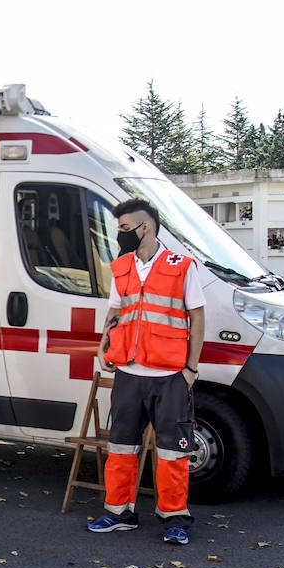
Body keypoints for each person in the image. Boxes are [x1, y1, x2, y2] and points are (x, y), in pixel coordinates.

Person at [89, 199, 204, 545]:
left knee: (172, 451)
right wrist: (103, 346)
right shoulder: (121, 267)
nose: (119, 235)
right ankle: (119, 512)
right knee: (121, 447)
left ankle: (174, 519)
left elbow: (197, 318)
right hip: (129, 373)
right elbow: (115, 311)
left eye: (124, 228)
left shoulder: (181, 266)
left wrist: (190, 370)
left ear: (146, 228)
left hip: (170, 375)